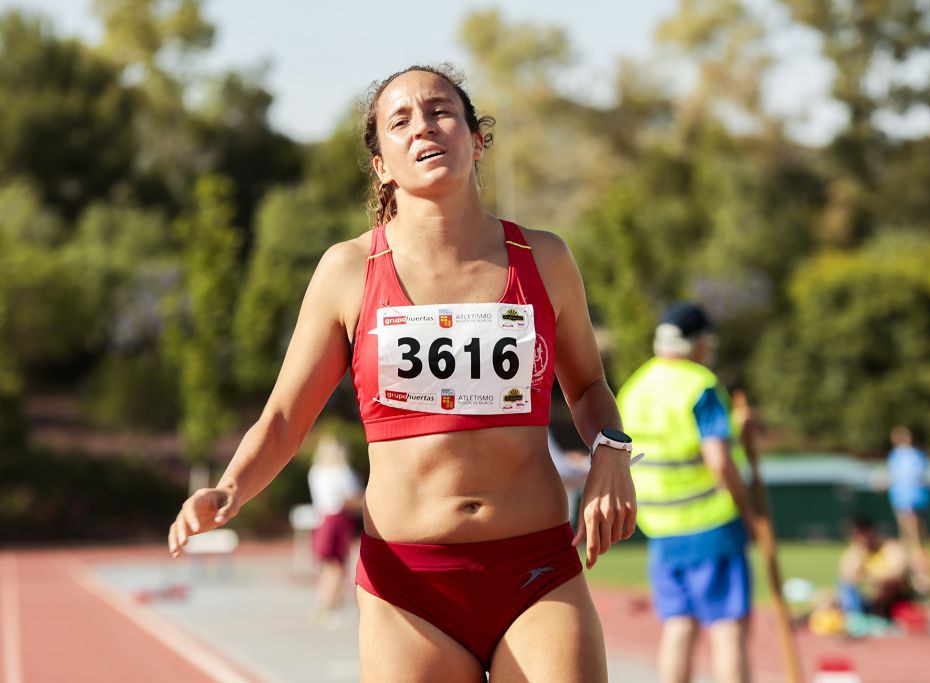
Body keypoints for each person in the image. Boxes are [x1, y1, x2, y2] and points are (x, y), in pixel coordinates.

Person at [167, 63, 637, 682]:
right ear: (381, 163)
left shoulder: (543, 258)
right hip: (408, 588)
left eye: (442, 111)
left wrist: (611, 449)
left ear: (476, 139)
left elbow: (588, 388)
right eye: (401, 120)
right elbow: (283, 419)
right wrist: (229, 489)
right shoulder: (347, 271)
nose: (424, 127)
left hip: (535, 571)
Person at [618, 302, 755, 683]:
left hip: (660, 526)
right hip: (709, 522)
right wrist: (748, 511)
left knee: (679, 627)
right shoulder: (699, 385)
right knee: (727, 629)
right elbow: (719, 460)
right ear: (699, 343)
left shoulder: (636, 385)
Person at [307, 434, 364, 626]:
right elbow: (350, 499)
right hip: (337, 520)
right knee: (337, 566)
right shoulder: (343, 472)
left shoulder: (316, 471)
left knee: (327, 565)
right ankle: (329, 606)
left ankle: (326, 602)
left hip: (321, 519)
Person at [836, 518, 910, 619]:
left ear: (872, 532)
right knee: (829, 598)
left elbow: (898, 574)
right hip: (865, 599)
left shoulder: (890, 548)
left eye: (863, 534)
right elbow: (849, 579)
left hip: (890, 598)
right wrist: (860, 557)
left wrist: (872, 578)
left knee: (885, 586)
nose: (861, 539)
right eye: (856, 536)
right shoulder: (854, 554)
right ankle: (854, 617)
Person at [887, 426, 930, 589]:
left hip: (912, 500)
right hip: (900, 500)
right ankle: (907, 575)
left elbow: (918, 478)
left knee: (916, 539)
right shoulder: (895, 456)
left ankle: (922, 577)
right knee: (906, 539)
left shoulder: (914, 456)